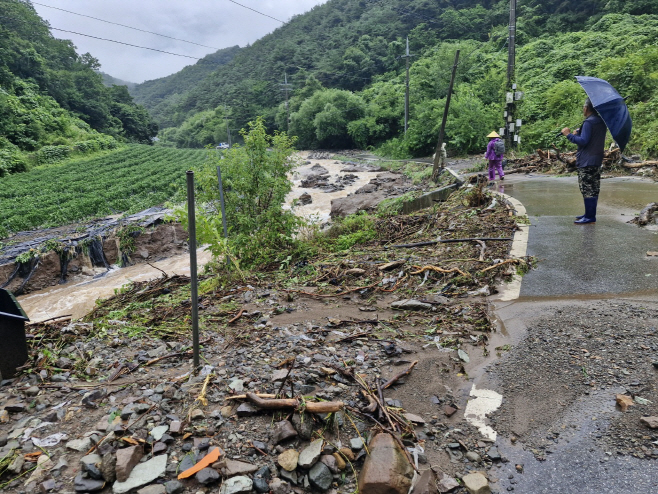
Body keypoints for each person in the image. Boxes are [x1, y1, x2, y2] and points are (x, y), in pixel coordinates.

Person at [561, 97, 607, 224]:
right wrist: (579, 132)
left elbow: (583, 141)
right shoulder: (601, 121)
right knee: (594, 188)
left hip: (586, 161)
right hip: (596, 159)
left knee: (587, 188)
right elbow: (590, 138)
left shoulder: (589, 122)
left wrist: (568, 135)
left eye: (583, 107)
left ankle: (590, 217)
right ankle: (589, 214)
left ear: (586, 108)